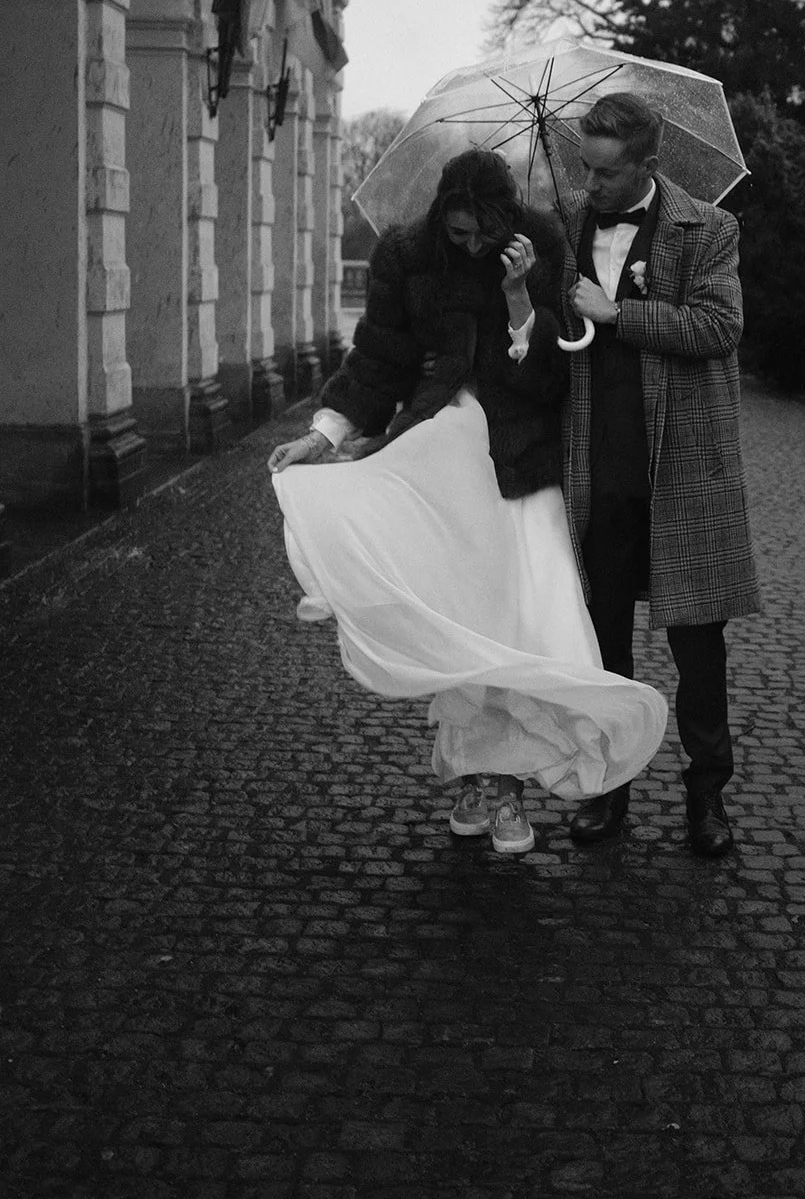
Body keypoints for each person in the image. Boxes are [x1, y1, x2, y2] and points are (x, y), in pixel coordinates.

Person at [268, 148, 667, 856]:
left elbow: (553, 379)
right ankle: (476, 782)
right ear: (439, 217)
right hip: (439, 453)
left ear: (508, 219)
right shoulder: (405, 256)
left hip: (522, 465)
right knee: (460, 621)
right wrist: (323, 435)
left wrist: (519, 298)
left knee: (520, 626)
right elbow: (377, 359)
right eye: (459, 233)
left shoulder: (543, 242)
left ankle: (508, 790)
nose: (474, 245)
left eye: (486, 232)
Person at [556, 91, 760, 856]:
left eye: (605, 172)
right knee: (601, 640)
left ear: (647, 163)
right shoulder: (565, 227)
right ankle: (608, 788)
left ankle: (707, 795)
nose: (590, 185)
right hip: (594, 465)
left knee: (697, 647)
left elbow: (719, 326)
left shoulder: (708, 227)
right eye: (584, 168)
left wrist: (617, 314)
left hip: (681, 467)